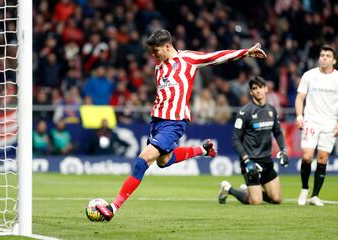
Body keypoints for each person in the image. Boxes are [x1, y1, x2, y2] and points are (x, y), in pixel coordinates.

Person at [96, 29, 267, 221]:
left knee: (142, 160)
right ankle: (202, 150)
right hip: (157, 121)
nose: (153, 55)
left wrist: (246, 52)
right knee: (163, 161)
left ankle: (113, 207)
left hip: (174, 122)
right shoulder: (158, 69)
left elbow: (217, 56)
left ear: (167, 46)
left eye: (156, 51)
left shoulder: (188, 59)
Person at [219, 76, 289, 205]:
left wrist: (283, 150)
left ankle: (249, 190)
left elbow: (277, 132)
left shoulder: (271, 110)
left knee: (277, 199)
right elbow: (235, 139)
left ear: (266, 89)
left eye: (260, 87)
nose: (258, 91)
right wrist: (246, 160)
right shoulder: (244, 112)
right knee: (256, 202)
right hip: (250, 160)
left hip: (266, 160)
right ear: (251, 92)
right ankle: (229, 189)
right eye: (254, 88)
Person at [295, 45, 338, 206]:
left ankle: (315, 196)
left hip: (330, 123)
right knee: (307, 156)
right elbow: (300, 98)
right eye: (322, 55)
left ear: (334, 60)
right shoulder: (309, 75)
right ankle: (304, 188)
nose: (324, 57)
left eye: (327, 55)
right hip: (311, 121)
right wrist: (300, 116)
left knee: (323, 158)